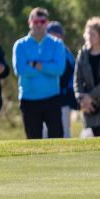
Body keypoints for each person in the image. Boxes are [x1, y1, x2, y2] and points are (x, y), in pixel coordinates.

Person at [13, 7, 67, 139]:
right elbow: (20, 70)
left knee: (56, 137)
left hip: (52, 98)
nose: (39, 25)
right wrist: (47, 67)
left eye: (42, 22)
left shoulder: (57, 44)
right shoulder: (20, 45)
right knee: (33, 140)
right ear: (30, 22)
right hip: (29, 99)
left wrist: (36, 64)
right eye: (36, 21)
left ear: (47, 23)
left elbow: (59, 69)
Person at [46, 21, 78, 138]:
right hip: (44, 99)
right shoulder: (44, 50)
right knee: (44, 134)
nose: (54, 38)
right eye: (50, 34)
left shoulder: (65, 52)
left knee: (63, 133)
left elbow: (72, 76)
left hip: (62, 100)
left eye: (56, 35)